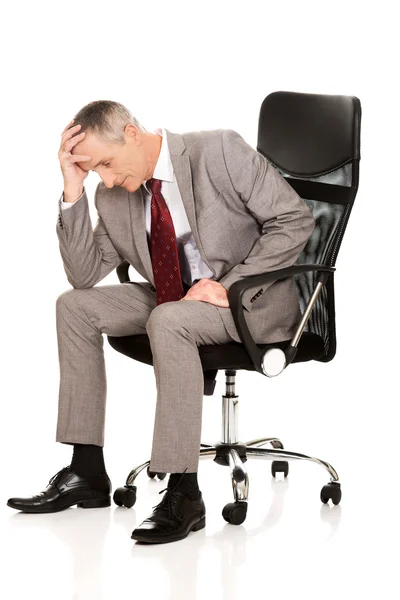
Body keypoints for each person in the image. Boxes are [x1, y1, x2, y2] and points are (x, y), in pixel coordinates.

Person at [7, 100, 315, 543]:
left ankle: (183, 492)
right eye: (97, 171)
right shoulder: (111, 194)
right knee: (73, 306)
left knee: (168, 321)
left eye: (108, 163)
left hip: (249, 303)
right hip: (174, 299)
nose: (108, 180)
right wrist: (73, 189)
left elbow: (293, 219)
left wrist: (230, 286)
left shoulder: (220, 152)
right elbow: (82, 274)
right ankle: (86, 472)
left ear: (132, 134)